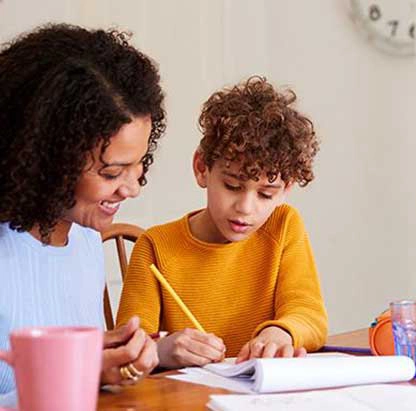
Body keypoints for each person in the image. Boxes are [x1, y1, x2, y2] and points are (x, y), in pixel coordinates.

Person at [0, 23, 167, 404]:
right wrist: (70, 374)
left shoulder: (85, 240)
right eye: (111, 172)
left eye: (138, 166)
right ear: (46, 158)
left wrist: (104, 356)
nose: (132, 188)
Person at [116, 75, 328, 369]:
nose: (245, 208)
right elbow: (126, 347)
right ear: (202, 169)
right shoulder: (155, 246)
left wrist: (281, 332)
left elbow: (310, 315)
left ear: (286, 188)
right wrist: (163, 350)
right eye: (232, 186)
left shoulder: (284, 225)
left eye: (266, 194)